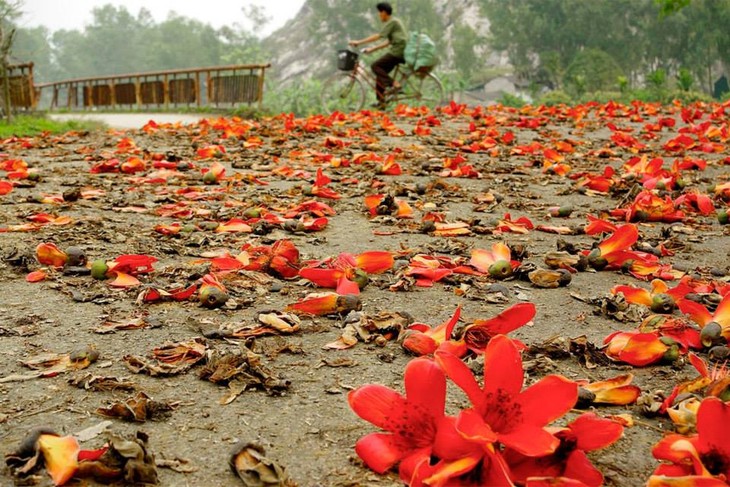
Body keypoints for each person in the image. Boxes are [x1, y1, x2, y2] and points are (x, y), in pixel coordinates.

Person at [348, 2, 407, 108]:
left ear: (384, 12)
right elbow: (388, 42)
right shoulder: (393, 22)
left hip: (398, 51)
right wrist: (372, 49)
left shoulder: (392, 22)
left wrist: (359, 42)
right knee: (380, 73)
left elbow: (379, 36)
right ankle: (381, 102)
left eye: (379, 13)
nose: (379, 15)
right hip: (398, 50)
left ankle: (395, 84)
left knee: (375, 66)